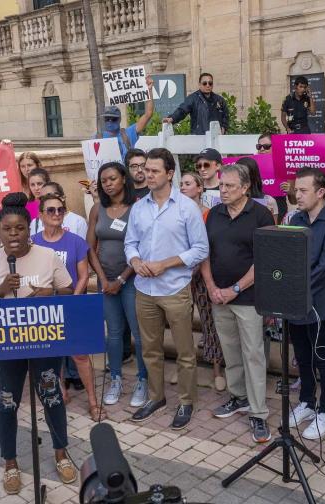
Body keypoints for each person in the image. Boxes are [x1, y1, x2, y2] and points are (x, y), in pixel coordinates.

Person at [0, 192, 76, 495]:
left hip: (43, 343)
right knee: (6, 403)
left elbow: (68, 291)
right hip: (4, 348)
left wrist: (51, 295)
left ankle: (60, 454)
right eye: (8, 229)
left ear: (28, 228)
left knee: (52, 396)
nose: (14, 234)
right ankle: (10, 464)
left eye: (20, 228)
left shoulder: (47, 256)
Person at [125, 148, 209, 429]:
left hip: (174, 288)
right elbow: (130, 243)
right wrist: (135, 260)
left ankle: (186, 401)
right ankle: (156, 396)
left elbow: (201, 249)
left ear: (170, 174)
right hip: (144, 289)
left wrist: (167, 264)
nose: (146, 174)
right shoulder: (139, 207)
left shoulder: (187, 208)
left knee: (185, 352)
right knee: (150, 349)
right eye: (145, 170)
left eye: (153, 171)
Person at [202, 164, 275, 443]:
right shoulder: (214, 214)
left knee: (253, 354)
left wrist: (235, 289)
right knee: (230, 351)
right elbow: (204, 252)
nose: (222, 190)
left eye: (229, 186)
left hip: (248, 297)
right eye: (221, 185)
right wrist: (211, 287)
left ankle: (258, 413)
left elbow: (267, 258)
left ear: (245, 188)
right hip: (218, 295)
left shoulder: (261, 214)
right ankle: (239, 397)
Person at [284, 167, 325, 440]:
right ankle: (308, 403)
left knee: (323, 359)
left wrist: (295, 287)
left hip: (321, 304)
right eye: (296, 190)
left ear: (321, 192)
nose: (296, 195)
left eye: (302, 191)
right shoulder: (295, 219)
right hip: (295, 304)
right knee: (303, 357)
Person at [32, 192, 103, 421]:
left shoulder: (75, 241)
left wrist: (74, 297)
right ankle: (60, 392)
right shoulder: (33, 242)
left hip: (71, 303)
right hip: (44, 306)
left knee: (80, 355)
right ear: (41, 214)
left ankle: (93, 402)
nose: (56, 214)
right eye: (50, 210)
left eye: (60, 210)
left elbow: (83, 275)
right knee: (53, 353)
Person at [88, 162, 148, 407]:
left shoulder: (137, 208)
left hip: (133, 279)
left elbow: (143, 247)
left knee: (138, 333)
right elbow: (90, 247)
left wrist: (122, 278)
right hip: (106, 282)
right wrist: (103, 279)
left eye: (112, 178)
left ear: (124, 179)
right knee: (112, 334)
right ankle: (115, 379)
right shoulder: (97, 209)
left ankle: (143, 380)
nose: (108, 184)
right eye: (104, 181)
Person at [180, 171, 225, 390]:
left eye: (187, 183)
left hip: (201, 276)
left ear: (199, 188)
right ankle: (185, 369)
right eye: (181, 184)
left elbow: (208, 248)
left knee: (209, 322)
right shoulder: (175, 213)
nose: (182, 187)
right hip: (178, 277)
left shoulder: (208, 215)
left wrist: (196, 270)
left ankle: (217, 369)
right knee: (182, 324)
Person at [100, 77, 153, 158]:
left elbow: (148, 114)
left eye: (113, 119)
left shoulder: (128, 134)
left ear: (119, 119)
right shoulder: (97, 137)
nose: (110, 121)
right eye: (107, 119)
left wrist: (149, 90)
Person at [164, 73, 230, 135]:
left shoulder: (219, 100)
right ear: (199, 84)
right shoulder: (192, 98)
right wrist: (172, 118)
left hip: (216, 137)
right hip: (199, 137)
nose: (207, 85)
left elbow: (226, 116)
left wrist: (223, 128)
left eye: (210, 83)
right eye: (204, 83)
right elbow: (182, 110)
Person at [236, 157, 279, 222]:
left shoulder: (268, 201)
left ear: (253, 176)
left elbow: (272, 229)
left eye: (244, 174)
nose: (241, 178)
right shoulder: (229, 200)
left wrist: (268, 215)